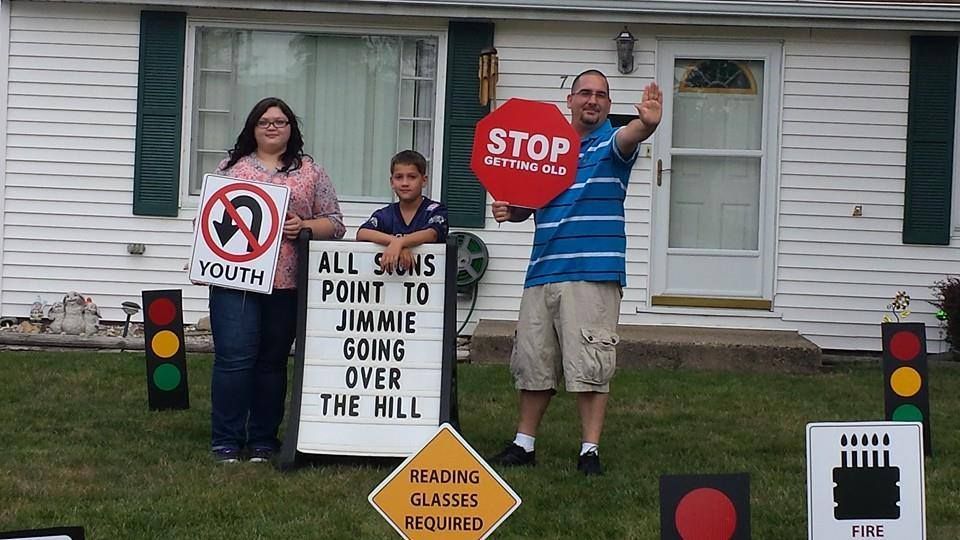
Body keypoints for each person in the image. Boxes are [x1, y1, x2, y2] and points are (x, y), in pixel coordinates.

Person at [488, 70, 662, 475]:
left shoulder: (611, 144)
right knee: (534, 362)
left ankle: (589, 452)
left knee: (591, 364)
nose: (593, 100)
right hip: (542, 269)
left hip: (592, 271)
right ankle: (523, 445)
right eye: (585, 93)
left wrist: (648, 123)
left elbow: (630, 136)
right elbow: (528, 206)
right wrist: (510, 212)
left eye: (601, 95)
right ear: (569, 99)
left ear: (608, 105)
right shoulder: (546, 149)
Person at [208, 97, 345, 463]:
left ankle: (264, 439)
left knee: (271, 361)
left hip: (285, 282)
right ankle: (226, 439)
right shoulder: (231, 168)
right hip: (235, 278)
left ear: (291, 129)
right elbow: (209, 219)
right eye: (264, 121)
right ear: (252, 128)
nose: (272, 127)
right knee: (234, 358)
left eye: (280, 121)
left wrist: (305, 226)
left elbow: (335, 223)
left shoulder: (310, 172)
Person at [356, 150, 448, 270]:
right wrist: (396, 243)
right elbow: (362, 233)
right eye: (399, 177)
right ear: (392, 182)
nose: (405, 183)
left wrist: (400, 243)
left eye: (412, 177)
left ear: (424, 180)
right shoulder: (386, 214)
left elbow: (432, 234)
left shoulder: (435, 210)